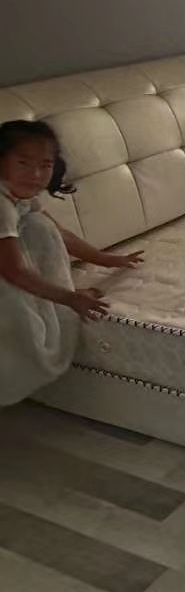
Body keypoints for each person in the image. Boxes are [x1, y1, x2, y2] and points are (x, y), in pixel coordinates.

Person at [0, 119, 143, 405]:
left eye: (45, 165)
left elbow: (62, 234)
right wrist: (70, 299)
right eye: (23, 163)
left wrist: (106, 259)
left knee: (39, 225)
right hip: (9, 273)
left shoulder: (18, 196)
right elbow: (12, 270)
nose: (36, 175)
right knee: (38, 229)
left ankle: (50, 300)